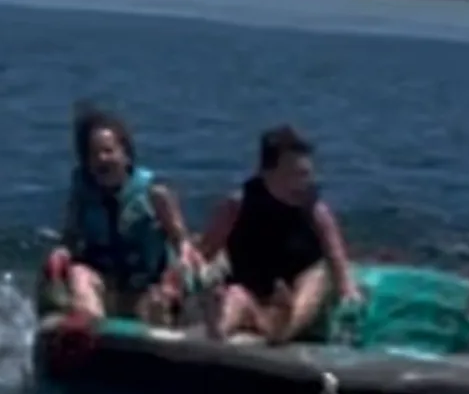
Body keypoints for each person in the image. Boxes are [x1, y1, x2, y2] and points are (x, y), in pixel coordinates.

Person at [194, 124, 359, 344]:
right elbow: (205, 251)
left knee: (317, 276)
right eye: (295, 175)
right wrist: (190, 276)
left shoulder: (314, 210)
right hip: (254, 292)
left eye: (307, 175)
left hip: (298, 296)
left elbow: (337, 259)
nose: (303, 183)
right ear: (266, 173)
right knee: (236, 296)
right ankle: (220, 325)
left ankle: (284, 327)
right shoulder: (238, 205)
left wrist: (348, 291)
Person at [44, 105, 194, 324]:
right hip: (105, 285)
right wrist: (61, 253)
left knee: (156, 303)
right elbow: (70, 237)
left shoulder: (155, 194)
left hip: (147, 288)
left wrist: (177, 275)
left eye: (108, 151)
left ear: (126, 155)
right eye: (94, 154)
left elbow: (182, 243)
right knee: (79, 275)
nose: (102, 159)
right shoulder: (82, 195)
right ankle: (93, 335)